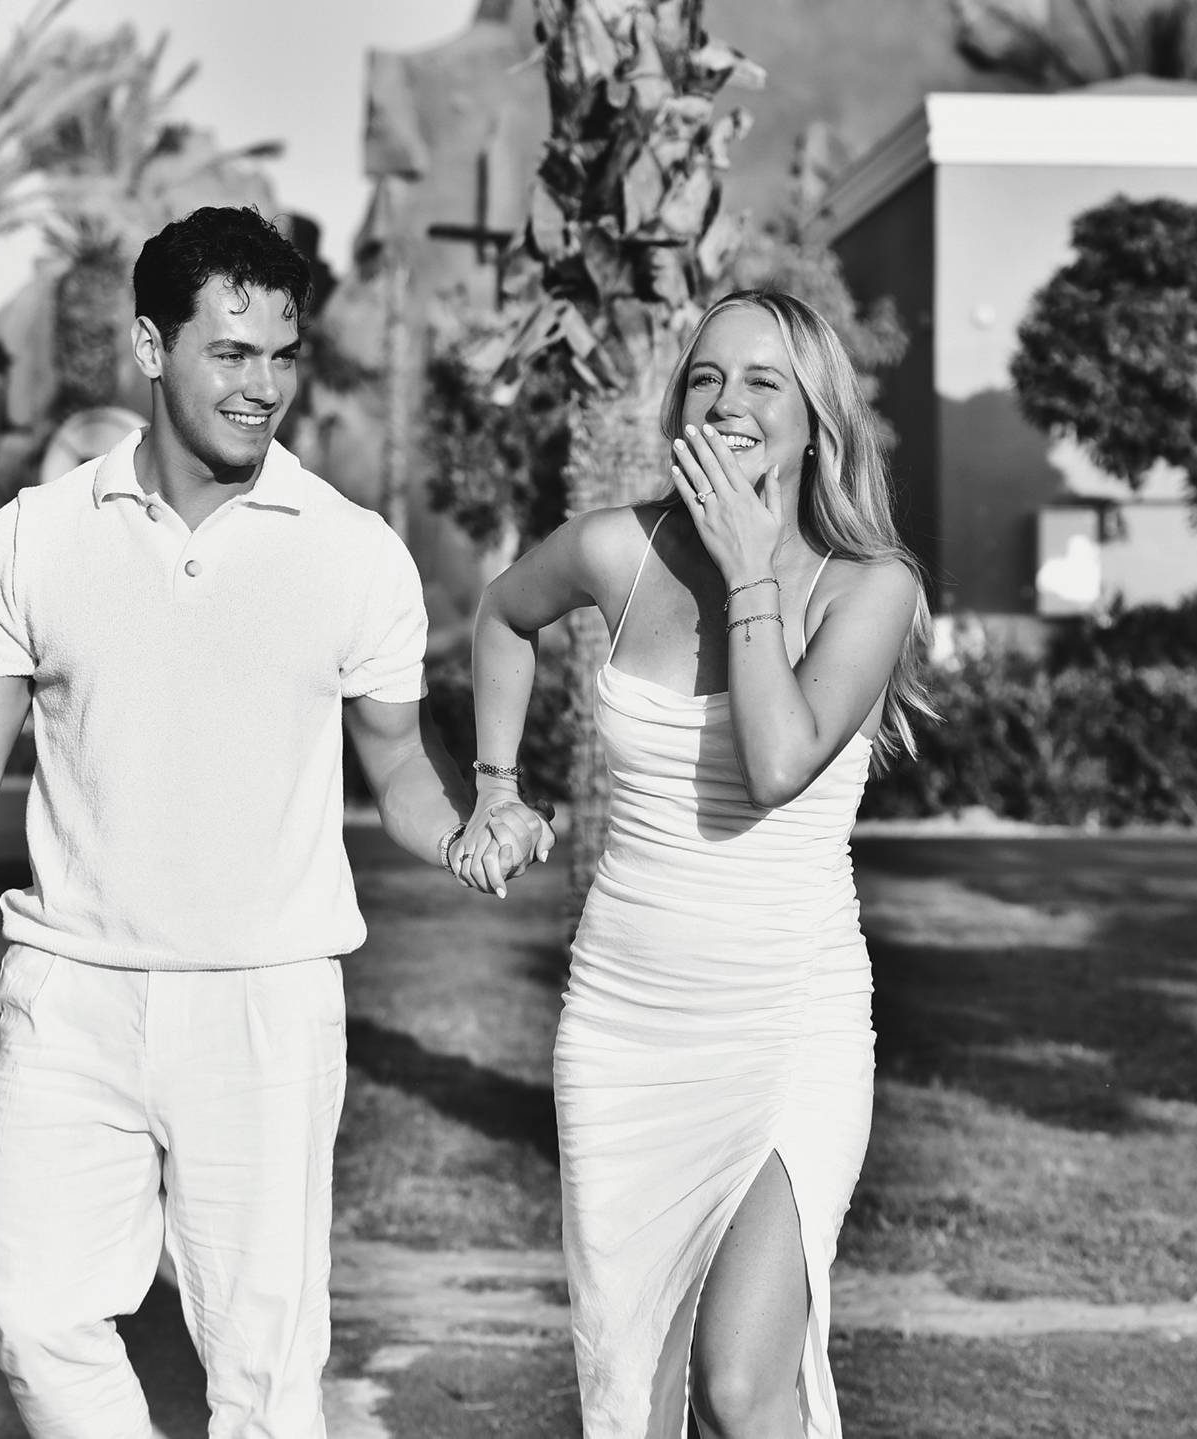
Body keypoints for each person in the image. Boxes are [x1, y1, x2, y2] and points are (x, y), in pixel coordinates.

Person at [0, 205, 550, 1438]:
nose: (262, 385)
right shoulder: (37, 536)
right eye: (231, 352)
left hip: (265, 1000)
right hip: (70, 990)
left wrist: (462, 832)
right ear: (152, 346)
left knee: (265, 1378)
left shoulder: (356, 553)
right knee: (34, 1311)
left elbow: (395, 757)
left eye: (282, 355)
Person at [458, 289, 935, 1439]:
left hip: (788, 1022)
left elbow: (776, 760)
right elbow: (503, 614)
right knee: (642, 1386)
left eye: (764, 381)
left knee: (737, 1384)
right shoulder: (617, 549)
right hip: (623, 1030)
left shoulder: (872, 586)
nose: (728, 401)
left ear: (816, 423)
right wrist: (496, 787)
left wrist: (748, 567)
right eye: (707, 377)